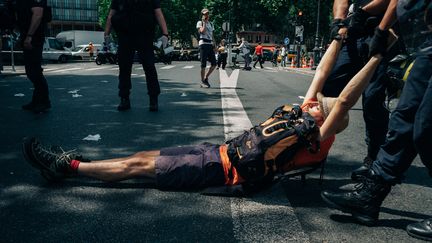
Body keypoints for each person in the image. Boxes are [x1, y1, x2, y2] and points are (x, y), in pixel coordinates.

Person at [22, 35, 395, 193]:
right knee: (140, 158)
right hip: (215, 150)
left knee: (137, 169)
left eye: (320, 106)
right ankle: (74, 163)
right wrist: (340, 36)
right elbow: (322, 75)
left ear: (328, 122)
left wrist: (378, 55)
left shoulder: (316, 137)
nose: (313, 102)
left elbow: (343, 101)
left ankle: (67, 167)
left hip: (221, 170)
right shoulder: (304, 117)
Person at [321, 0, 432, 241]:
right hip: (426, 41)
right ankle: (370, 196)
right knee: (406, 117)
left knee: (426, 127)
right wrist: (381, 29)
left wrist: (373, 21)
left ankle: (374, 171)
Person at [324, 0, 403, 180]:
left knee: (373, 97)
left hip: (382, 27)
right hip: (354, 32)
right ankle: (316, 147)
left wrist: (366, 15)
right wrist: (338, 21)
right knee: (328, 88)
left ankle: (374, 160)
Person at [105, 0, 169, 112]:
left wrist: (107, 34)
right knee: (148, 67)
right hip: (142, 33)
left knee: (125, 68)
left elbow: (111, 15)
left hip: (127, 34)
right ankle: (152, 99)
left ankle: (125, 99)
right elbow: (158, 13)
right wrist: (165, 34)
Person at [16, 0, 51, 113]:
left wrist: (29, 36)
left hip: (34, 38)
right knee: (32, 70)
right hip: (28, 35)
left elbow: (38, 14)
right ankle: (36, 100)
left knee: (34, 71)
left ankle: (44, 101)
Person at [196, 8, 217, 88]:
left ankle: (205, 77)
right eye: (205, 14)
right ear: (202, 15)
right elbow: (203, 32)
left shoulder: (211, 24)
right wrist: (204, 22)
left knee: (214, 64)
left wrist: (215, 45)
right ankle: (202, 82)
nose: (207, 15)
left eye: (207, 14)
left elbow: (212, 35)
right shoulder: (200, 22)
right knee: (203, 64)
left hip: (210, 44)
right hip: (203, 44)